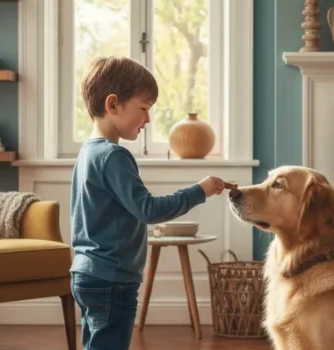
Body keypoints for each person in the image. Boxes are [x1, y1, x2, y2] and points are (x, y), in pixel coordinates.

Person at [69, 56, 233, 349]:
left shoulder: (88, 153)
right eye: (143, 109)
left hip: (86, 273)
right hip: (112, 279)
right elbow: (149, 209)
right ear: (113, 104)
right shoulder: (113, 156)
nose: (148, 119)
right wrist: (200, 190)